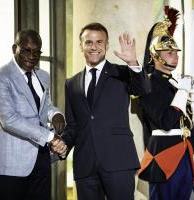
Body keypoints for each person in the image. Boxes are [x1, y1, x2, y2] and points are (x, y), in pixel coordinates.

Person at [62, 22, 151, 200]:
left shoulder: (123, 73)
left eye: (99, 42)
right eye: (88, 42)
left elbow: (144, 90)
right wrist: (62, 144)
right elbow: (73, 125)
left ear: (106, 45)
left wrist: (133, 62)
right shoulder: (71, 83)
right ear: (81, 46)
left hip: (118, 160)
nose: (94, 47)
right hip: (85, 164)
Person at [0, 29, 66, 200]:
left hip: (41, 160)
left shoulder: (43, 76)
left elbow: (45, 107)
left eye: (36, 52)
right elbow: (10, 120)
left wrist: (55, 114)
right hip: (10, 163)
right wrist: (50, 137)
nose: (31, 56)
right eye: (26, 50)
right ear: (15, 48)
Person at [137, 7, 194, 200]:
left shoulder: (173, 82)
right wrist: (182, 91)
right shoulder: (148, 84)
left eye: (176, 52)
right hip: (164, 154)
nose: (176, 55)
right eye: (170, 52)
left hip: (184, 152)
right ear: (156, 56)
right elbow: (165, 121)